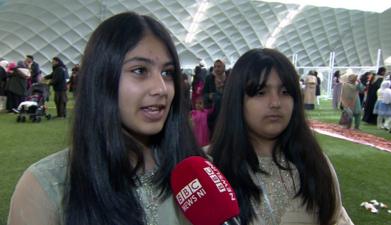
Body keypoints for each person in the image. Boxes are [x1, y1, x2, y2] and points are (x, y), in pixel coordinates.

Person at [8, 11, 205, 225]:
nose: (161, 88)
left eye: (167, 73)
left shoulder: (201, 174)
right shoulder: (47, 186)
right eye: (140, 70)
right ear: (101, 78)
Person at [209, 48, 353, 225]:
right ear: (237, 99)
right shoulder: (208, 168)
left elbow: (335, 218)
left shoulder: (315, 162)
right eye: (261, 92)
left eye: (285, 92)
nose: (276, 103)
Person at [203, 59, 226, 135]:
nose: (216, 69)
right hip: (213, 112)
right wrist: (210, 96)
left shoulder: (229, 78)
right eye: (215, 66)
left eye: (219, 66)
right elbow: (204, 94)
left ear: (224, 67)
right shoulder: (209, 78)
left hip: (226, 112)